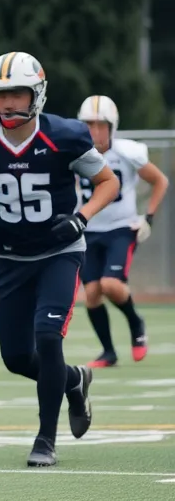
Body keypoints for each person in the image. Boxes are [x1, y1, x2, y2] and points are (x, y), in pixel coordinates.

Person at [0, 51, 119, 468]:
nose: (8, 103)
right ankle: (74, 380)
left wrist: (82, 218)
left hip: (59, 253)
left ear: (37, 93)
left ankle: (45, 439)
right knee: (16, 357)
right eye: (0, 94)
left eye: (17, 93)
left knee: (48, 337)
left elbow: (107, 182)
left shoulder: (64, 136)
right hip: (10, 257)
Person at [75, 94, 169, 367]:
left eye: (100, 125)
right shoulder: (75, 153)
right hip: (90, 229)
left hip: (120, 228)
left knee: (111, 285)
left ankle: (135, 322)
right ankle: (108, 352)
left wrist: (148, 218)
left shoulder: (127, 152)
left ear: (111, 126)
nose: (94, 131)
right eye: (88, 125)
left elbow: (160, 181)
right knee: (92, 294)